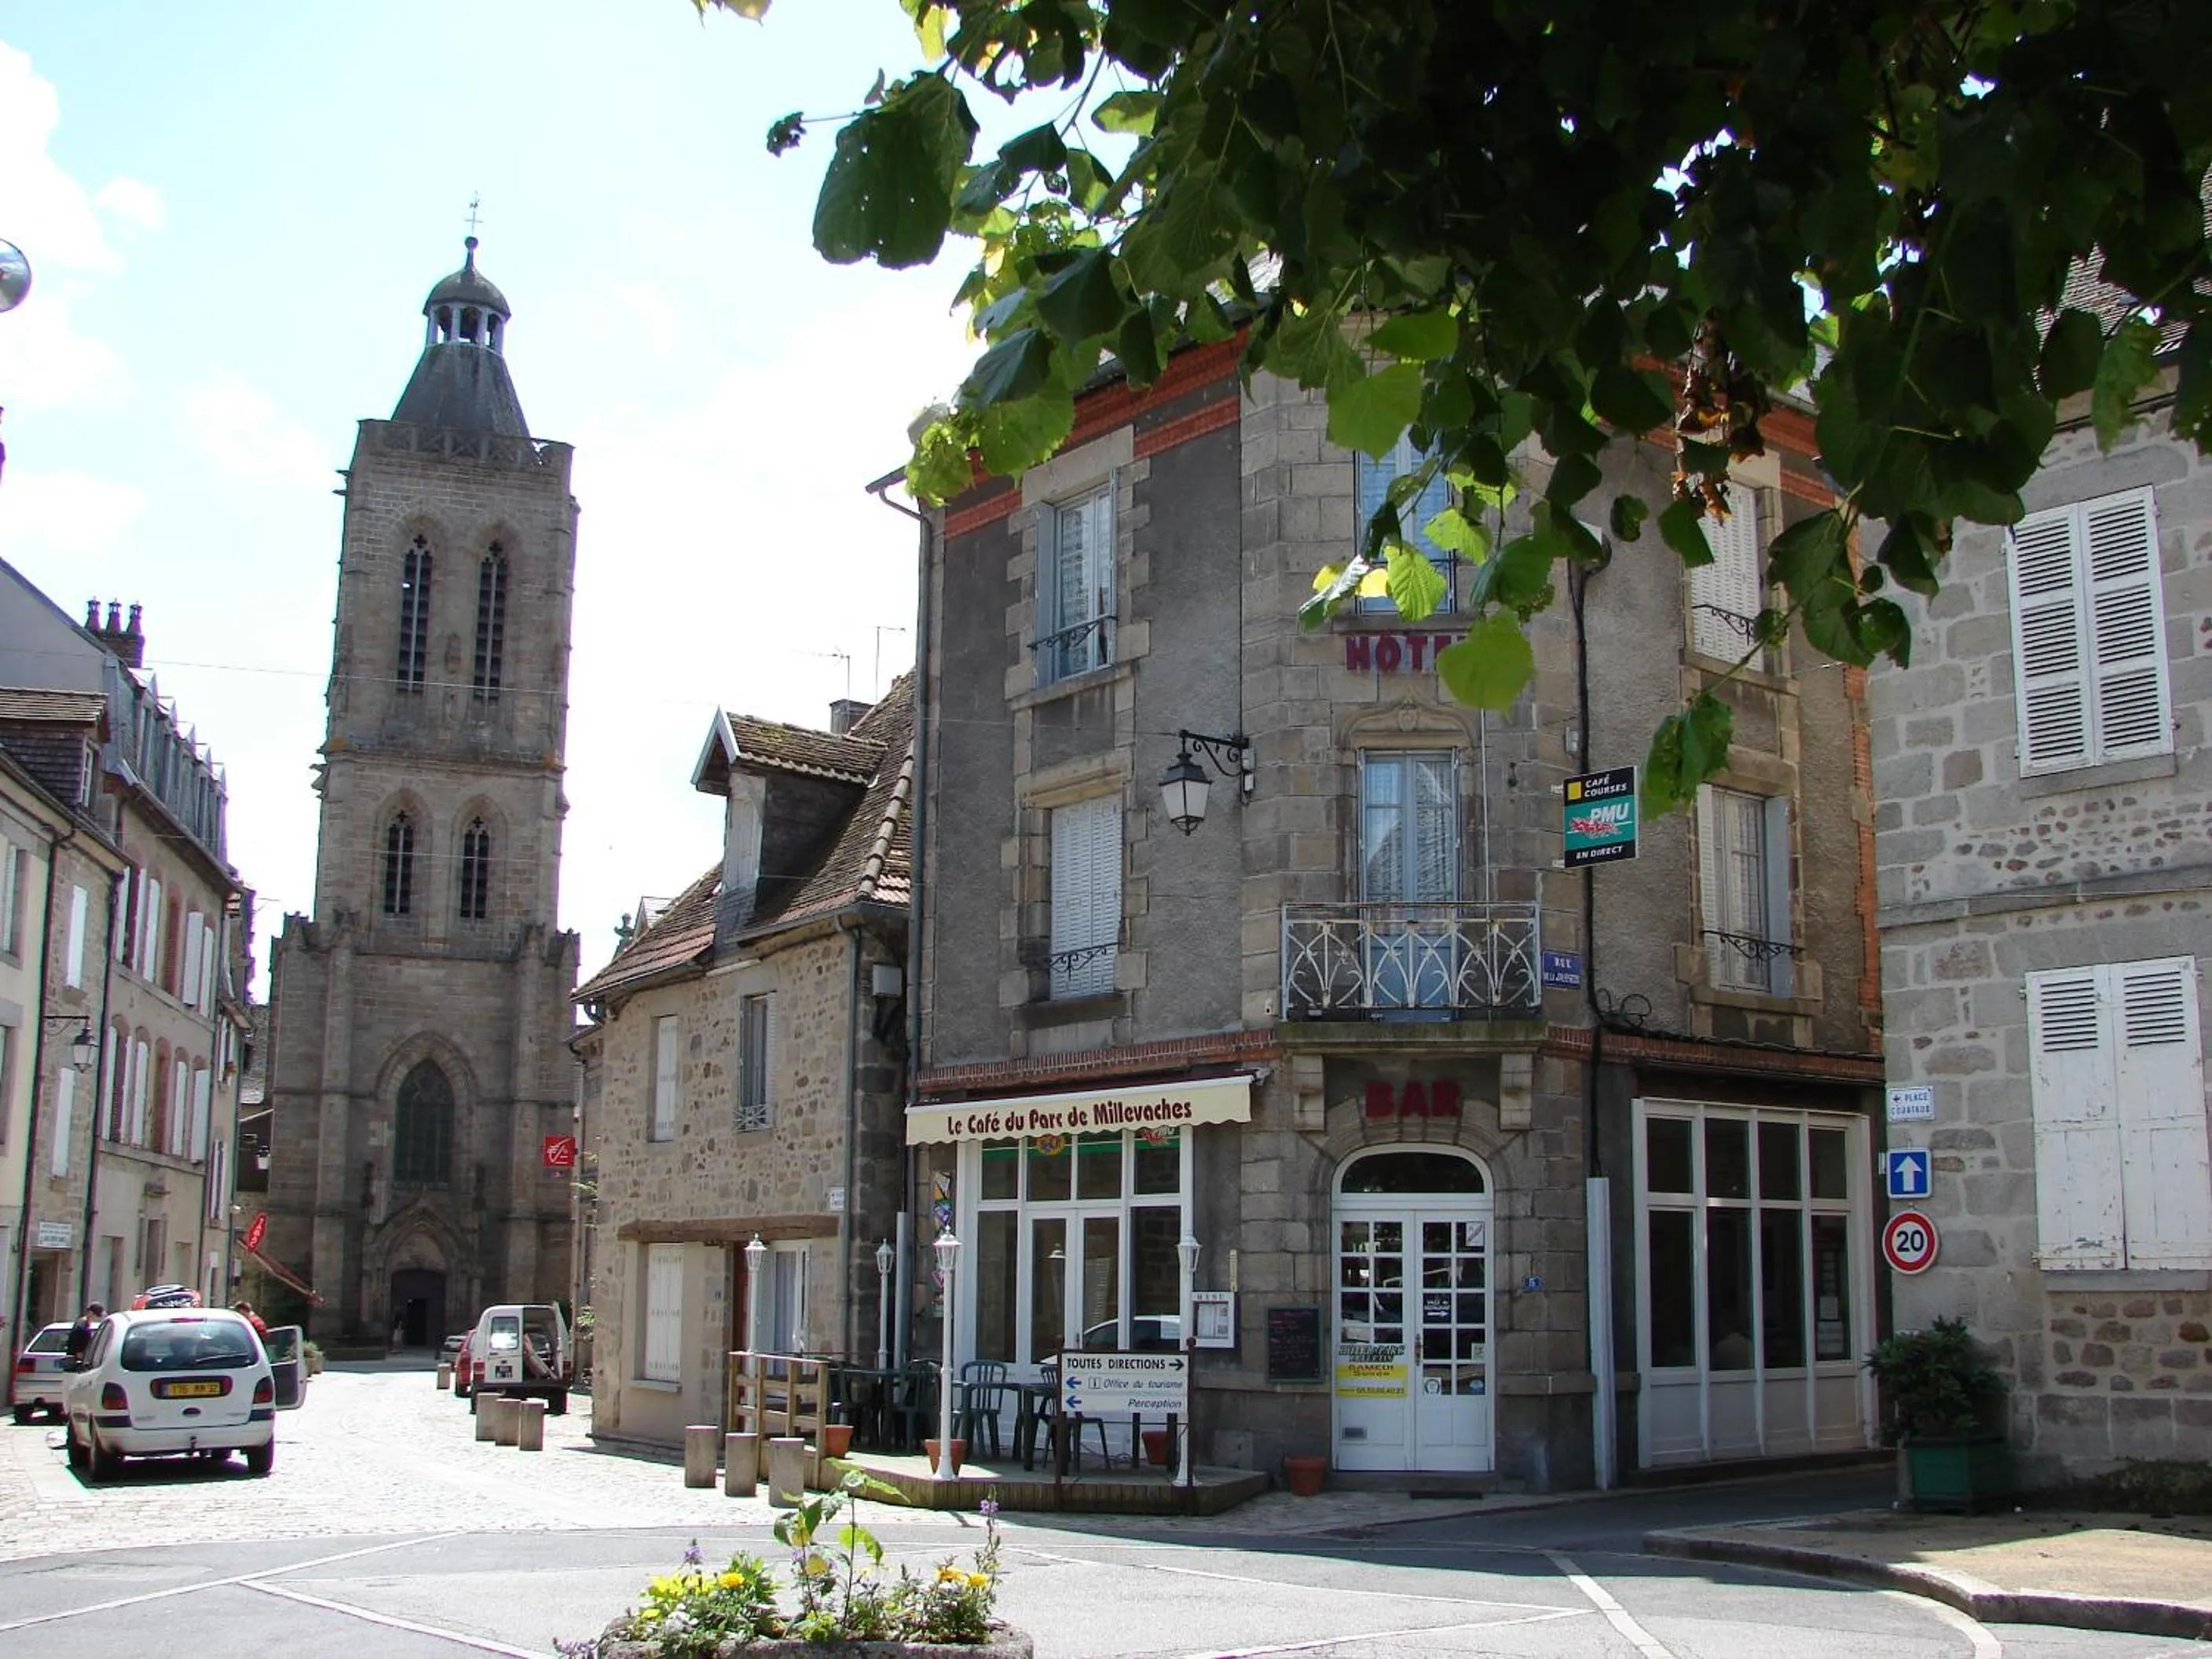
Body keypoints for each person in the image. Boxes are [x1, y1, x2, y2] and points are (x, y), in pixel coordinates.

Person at [64, 1302, 106, 1366]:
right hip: (77, 1364)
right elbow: (79, 1352)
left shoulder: (81, 1323)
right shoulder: (83, 1329)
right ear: (90, 1313)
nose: (98, 1319)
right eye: (98, 1316)